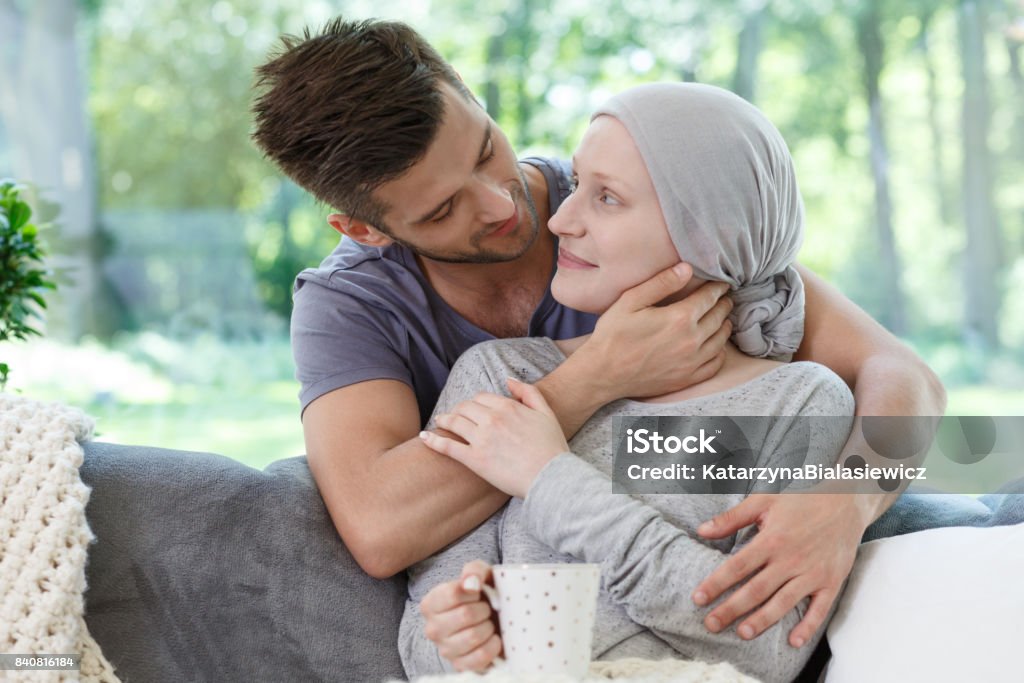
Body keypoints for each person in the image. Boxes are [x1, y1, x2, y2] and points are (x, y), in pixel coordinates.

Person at [250, 18, 946, 649]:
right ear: (367, 229)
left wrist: (845, 498)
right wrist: (599, 375)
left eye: (486, 148)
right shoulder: (352, 305)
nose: (505, 205)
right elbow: (378, 529)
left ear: (466, 91)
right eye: (441, 210)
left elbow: (900, 375)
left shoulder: (639, 205)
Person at [401, 82, 854, 682]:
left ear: (709, 231)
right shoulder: (498, 376)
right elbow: (425, 645)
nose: (560, 220)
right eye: (577, 186)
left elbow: (768, 646)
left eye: (607, 198)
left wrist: (548, 478)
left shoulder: (797, 402)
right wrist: (460, 637)